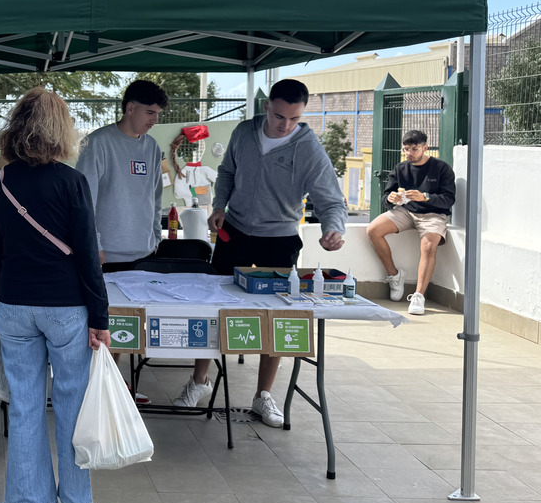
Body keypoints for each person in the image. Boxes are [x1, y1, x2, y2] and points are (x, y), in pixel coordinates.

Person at [173, 79, 347, 427]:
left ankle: (263, 395)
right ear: (267, 106)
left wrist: (334, 229)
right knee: (213, 306)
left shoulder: (309, 149)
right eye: (279, 116)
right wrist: (219, 206)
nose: (285, 125)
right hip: (233, 231)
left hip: (279, 239)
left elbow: (331, 199)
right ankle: (199, 380)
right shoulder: (244, 132)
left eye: (294, 118)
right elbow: (227, 172)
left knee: (276, 316)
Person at [0, 88, 113, 503]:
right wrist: (99, 316)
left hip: (15, 305)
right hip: (66, 308)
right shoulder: (71, 181)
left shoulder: (1, 180)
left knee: (24, 406)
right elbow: (87, 256)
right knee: (71, 407)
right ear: (61, 130)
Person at [75, 79, 168, 269]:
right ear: (130, 108)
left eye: (158, 114)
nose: (155, 120)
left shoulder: (152, 147)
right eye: (150, 112)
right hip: (106, 256)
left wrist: (156, 237)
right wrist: (94, 245)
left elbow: (156, 197)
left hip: (146, 253)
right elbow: (84, 201)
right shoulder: (96, 143)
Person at [366, 129, 456, 316]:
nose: (409, 153)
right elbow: (385, 197)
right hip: (406, 211)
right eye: (406, 149)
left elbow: (449, 200)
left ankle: (418, 296)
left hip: (433, 214)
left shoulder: (442, 168)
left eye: (414, 149)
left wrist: (426, 197)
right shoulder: (400, 168)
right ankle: (394, 275)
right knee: (373, 229)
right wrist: (390, 198)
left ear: (425, 147)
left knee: (428, 245)